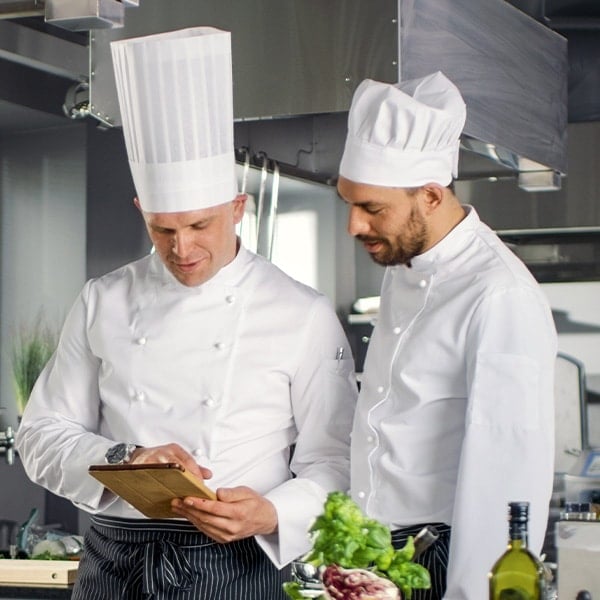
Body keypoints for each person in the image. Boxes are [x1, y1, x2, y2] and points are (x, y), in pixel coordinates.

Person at [15, 27, 357, 600]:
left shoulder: (302, 313)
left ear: (237, 209)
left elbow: (338, 460)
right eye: (163, 229)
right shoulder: (104, 297)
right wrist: (126, 459)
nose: (182, 249)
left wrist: (271, 513)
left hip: (234, 563)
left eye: (200, 226)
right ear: (141, 211)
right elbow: (41, 436)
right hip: (113, 558)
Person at [336, 71, 557, 599]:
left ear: (432, 196)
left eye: (372, 208)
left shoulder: (499, 296)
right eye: (349, 203)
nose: (354, 226)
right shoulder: (404, 266)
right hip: (372, 557)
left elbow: (507, 472)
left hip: (440, 562)